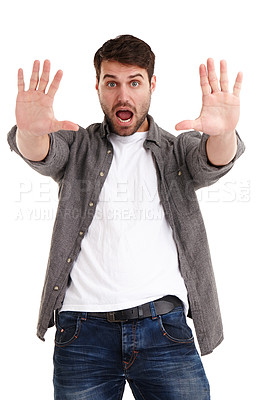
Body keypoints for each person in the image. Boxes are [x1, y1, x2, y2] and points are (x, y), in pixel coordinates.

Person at [8, 35, 245, 399]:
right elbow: (43, 152)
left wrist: (224, 132)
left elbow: (212, 159)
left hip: (163, 328)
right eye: (112, 83)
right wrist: (29, 131)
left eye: (134, 82)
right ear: (98, 87)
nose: (123, 95)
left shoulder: (176, 150)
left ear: (151, 84)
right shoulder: (78, 145)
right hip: (82, 333)